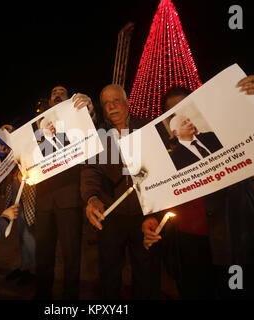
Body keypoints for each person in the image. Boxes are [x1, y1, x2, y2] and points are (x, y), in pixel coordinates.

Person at [142, 75, 254, 299]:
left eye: (187, 108)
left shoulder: (225, 137)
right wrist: (153, 221)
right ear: (169, 127)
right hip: (190, 246)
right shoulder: (165, 159)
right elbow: (162, 196)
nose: (183, 116)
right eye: (174, 113)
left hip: (236, 242)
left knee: (238, 293)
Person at [80, 84, 160, 300]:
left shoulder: (148, 129)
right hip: (110, 216)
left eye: (116, 100)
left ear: (127, 103)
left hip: (145, 216)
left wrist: (154, 213)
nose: (111, 106)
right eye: (106, 103)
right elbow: (90, 170)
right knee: (108, 274)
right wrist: (92, 198)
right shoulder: (99, 136)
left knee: (146, 273)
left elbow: (162, 170)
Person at [34, 85, 96, 299]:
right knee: (42, 256)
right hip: (43, 202)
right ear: (49, 101)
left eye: (62, 93)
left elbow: (93, 131)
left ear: (68, 99)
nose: (58, 95)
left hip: (69, 199)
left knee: (71, 256)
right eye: (54, 93)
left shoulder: (76, 122)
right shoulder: (37, 129)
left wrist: (89, 111)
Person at [4, 166, 37, 286]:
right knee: (21, 228)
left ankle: (33, 270)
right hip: (15, 178)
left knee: (28, 232)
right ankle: (25, 266)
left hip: (30, 181)